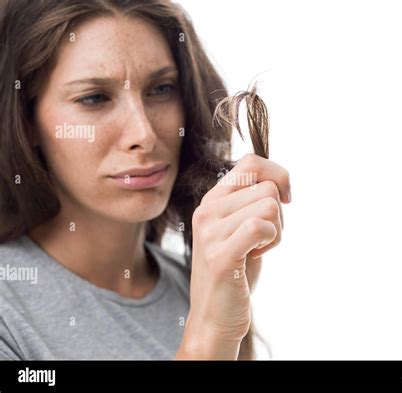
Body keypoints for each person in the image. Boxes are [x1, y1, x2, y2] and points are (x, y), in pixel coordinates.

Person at [0, 0, 291, 360]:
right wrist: (211, 331)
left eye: (160, 89)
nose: (145, 133)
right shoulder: (8, 313)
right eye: (94, 98)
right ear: (27, 123)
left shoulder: (198, 284)